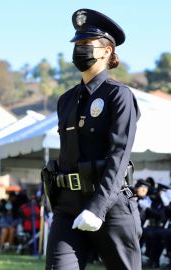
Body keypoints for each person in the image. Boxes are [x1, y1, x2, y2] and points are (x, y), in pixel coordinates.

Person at [45, 8, 141, 270]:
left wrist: (97, 208)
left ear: (106, 51)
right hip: (68, 208)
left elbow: (119, 155)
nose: (79, 49)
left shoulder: (118, 96)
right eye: (77, 43)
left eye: (87, 44)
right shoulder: (66, 100)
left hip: (109, 206)